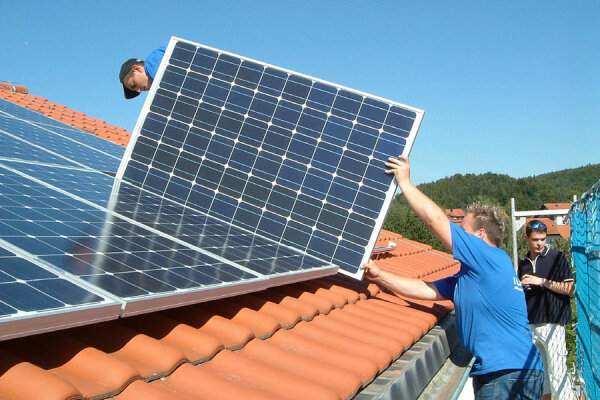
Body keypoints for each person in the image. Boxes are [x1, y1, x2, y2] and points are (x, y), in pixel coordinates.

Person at [363, 155, 544, 400]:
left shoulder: (488, 256)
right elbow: (427, 290)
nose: (459, 236)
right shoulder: (475, 274)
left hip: (505, 374)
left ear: (480, 235)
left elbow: (435, 221)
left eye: (464, 231)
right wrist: (381, 275)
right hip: (514, 371)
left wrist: (405, 182)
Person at [518, 220, 575, 400]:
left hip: (553, 324)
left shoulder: (557, 257)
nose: (540, 243)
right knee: (539, 376)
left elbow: (570, 289)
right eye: (535, 239)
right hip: (531, 325)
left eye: (543, 239)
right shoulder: (523, 263)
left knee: (558, 374)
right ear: (527, 238)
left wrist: (541, 281)